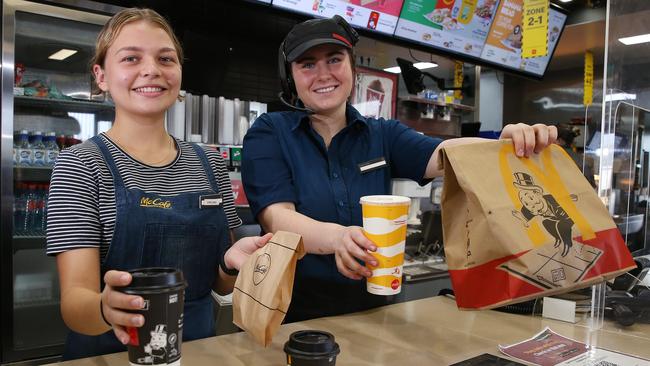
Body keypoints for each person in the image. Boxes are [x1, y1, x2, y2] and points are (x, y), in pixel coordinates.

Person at [241, 15, 558, 323]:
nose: (323, 74)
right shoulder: (270, 133)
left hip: (377, 311)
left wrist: (501, 146)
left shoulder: (382, 134)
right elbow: (277, 217)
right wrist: (337, 238)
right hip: (293, 317)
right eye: (307, 64)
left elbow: (440, 154)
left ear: (352, 67)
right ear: (290, 77)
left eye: (334, 59)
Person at [46, 8, 271, 360]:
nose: (151, 69)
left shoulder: (210, 163)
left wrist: (229, 266)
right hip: (109, 353)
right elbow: (75, 305)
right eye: (131, 58)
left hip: (198, 350)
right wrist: (107, 308)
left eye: (166, 58)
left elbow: (217, 285)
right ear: (101, 75)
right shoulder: (80, 165)